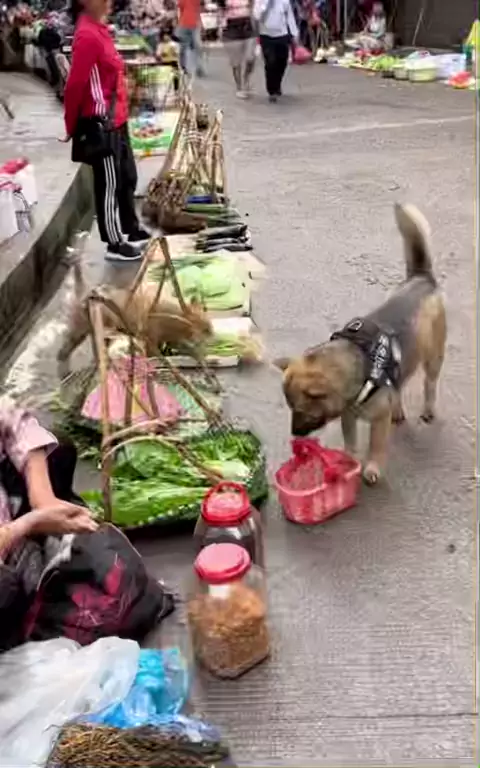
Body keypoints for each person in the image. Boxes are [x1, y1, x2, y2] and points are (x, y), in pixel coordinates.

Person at [63, 0, 151, 262]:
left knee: (127, 176)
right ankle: (114, 243)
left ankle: (130, 227)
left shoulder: (99, 29)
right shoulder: (87, 35)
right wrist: (71, 125)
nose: (109, 2)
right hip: (100, 123)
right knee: (110, 184)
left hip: (117, 119)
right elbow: (75, 85)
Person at [253, 0, 298, 102]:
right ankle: (272, 90)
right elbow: (257, 16)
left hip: (282, 34)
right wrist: (266, 5)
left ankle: (277, 83)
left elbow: (289, 16)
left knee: (282, 60)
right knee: (270, 62)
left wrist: (294, 33)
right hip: (266, 35)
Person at [217, 0, 256, 99]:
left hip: (247, 25)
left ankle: (246, 78)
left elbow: (253, 6)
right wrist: (220, 26)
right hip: (231, 28)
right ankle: (240, 87)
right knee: (236, 62)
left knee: (250, 57)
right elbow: (220, 9)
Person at [176, 0, 204, 77]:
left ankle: (198, 67)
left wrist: (200, 23)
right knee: (183, 47)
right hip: (183, 24)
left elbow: (198, 10)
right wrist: (178, 23)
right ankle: (183, 67)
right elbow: (179, 11)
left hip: (194, 25)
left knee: (197, 45)